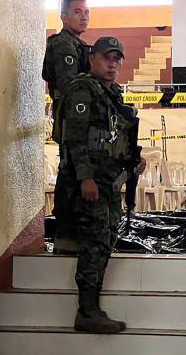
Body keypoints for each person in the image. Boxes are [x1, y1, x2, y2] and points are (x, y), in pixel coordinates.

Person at [51, 37, 146, 333]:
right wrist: (86, 178)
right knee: (95, 242)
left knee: (105, 239)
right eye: (107, 58)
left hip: (107, 181)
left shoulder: (110, 94)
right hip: (89, 182)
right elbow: (75, 139)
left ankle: (92, 308)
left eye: (117, 59)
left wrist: (133, 160)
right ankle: (87, 311)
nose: (113, 64)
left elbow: (114, 137)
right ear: (93, 58)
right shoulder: (83, 90)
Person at [42, 0, 91, 142]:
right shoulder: (65, 44)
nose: (84, 17)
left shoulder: (76, 44)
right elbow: (69, 86)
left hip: (75, 116)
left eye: (86, 12)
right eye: (77, 12)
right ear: (64, 17)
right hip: (72, 118)